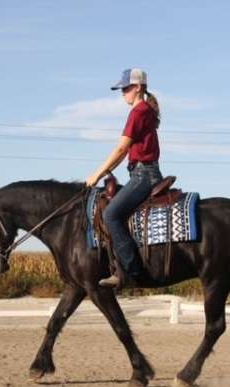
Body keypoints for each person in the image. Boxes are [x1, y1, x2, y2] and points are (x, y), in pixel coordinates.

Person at [85, 68, 163, 288]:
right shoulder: (144, 111)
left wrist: (97, 174)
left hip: (144, 176)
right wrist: (109, 169)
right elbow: (124, 154)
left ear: (137, 88)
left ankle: (131, 272)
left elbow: (121, 149)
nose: (123, 94)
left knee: (111, 215)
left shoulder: (139, 112)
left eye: (126, 89)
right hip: (141, 172)